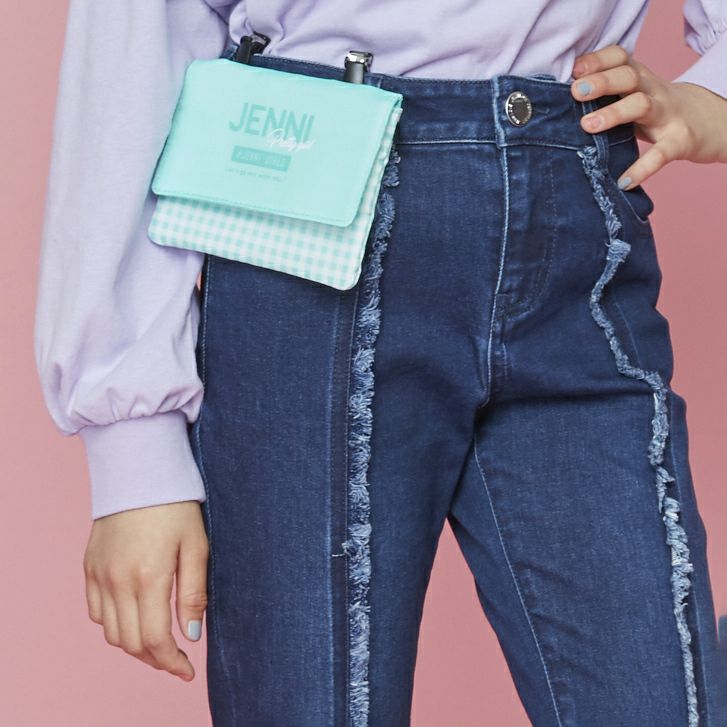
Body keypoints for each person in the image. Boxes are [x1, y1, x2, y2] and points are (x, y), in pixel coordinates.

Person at [34, 1, 727, 725]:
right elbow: (137, 39)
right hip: (306, 216)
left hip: (571, 211)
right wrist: (134, 450)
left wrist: (710, 95)